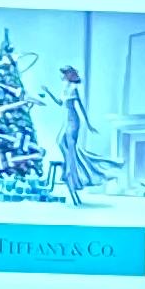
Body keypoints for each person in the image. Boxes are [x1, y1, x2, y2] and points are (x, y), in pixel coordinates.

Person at [56, 62, 92, 203]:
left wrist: (88, 123)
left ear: (69, 75)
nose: (63, 76)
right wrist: (47, 92)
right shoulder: (64, 88)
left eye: (65, 73)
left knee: (71, 147)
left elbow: (80, 107)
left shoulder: (73, 88)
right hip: (66, 119)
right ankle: (69, 169)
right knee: (60, 142)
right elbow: (59, 102)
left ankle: (72, 177)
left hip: (73, 120)